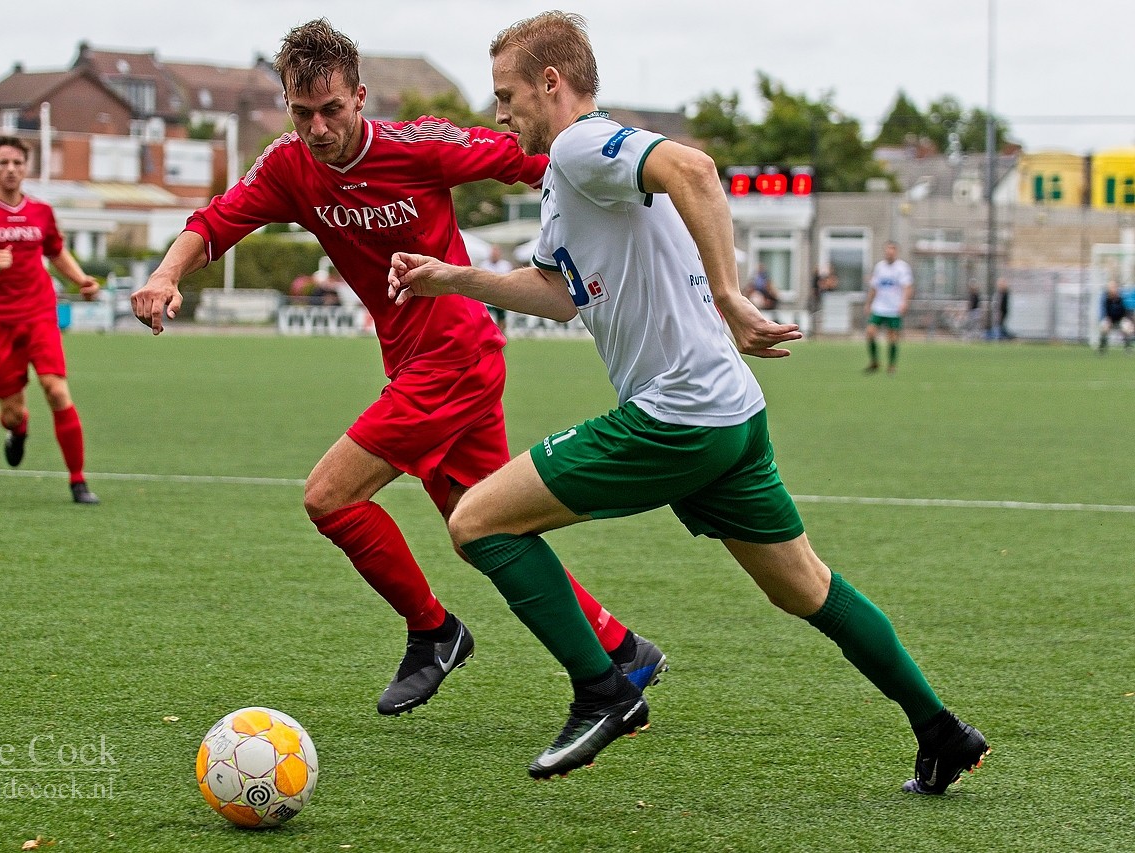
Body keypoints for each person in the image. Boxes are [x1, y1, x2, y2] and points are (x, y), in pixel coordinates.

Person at [387, 9, 987, 789]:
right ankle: (941, 729)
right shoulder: (569, 174)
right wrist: (451, 276)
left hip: (677, 415)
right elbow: (562, 294)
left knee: (476, 521)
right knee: (804, 585)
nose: (499, 113)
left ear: (551, 83)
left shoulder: (578, 143)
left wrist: (732, 297)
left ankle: (605, 688)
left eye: (507, 94)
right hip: (730, 414)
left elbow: (696, 170)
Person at [130, 18, 665, 718]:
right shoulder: (290, 166)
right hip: (421, 361)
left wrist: (642, 191)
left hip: (455, 355)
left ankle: (434, 631)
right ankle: (619, 648)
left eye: (330, 110)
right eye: (302, 113)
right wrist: (166, 273)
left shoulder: (421, 145)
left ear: (359, 96)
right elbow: (217, 220)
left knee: (329, 496)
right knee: (486, 530)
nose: (318, 128)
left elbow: (538, 154)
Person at [0, 136, 102, 505]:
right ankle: (19, 429)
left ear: (25, 167)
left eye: (17, 163)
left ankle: (78, 482)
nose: (11, 169)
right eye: (3, 163)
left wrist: (81, 280)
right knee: (12, 413)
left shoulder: (42, 212)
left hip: (39, 314)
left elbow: (56, 252)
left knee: (56, 390)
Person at [863, 241, 913, 373]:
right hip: (879, 306)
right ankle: (874, 362)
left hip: (894, 307)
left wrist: (904, 302)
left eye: (892, 250)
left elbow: (907, 287)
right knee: (870, 332)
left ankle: (891, 365)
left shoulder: (902, 267)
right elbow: (874, 287)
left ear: (896, 252)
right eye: (887, 250)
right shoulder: (880, 267)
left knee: (892, 337)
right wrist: (868, 303)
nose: (889, 252)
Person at [479, 245, 513, 333]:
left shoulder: (505, 265)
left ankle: (501, 337)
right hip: (487, 298)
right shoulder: (484, 265)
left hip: (501, 297)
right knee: (487, 319)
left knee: (501, 320)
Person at [1098, 280, 1133, 353]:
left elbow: (1127, 310)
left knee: (1127, 326)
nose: (1112, 289)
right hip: (1110, 319)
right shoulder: (1106, 299)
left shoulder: (1122, 298)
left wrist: (1128, 319)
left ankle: (1128, 348)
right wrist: (1107, 318)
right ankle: (1102, 347)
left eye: (1114, 287)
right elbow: (1104, 311)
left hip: (1121, 319)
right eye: (1111, 287)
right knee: (1104, 325)